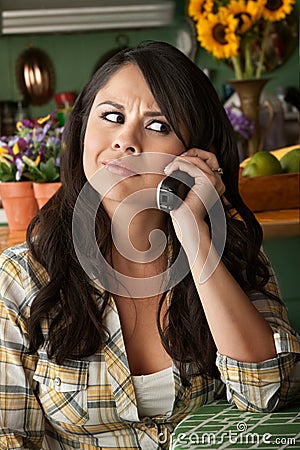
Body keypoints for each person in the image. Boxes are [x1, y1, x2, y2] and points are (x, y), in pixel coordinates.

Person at [0, 41, 299, 450]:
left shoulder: (231, 252)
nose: (126, 141)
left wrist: (195, 234)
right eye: (111, 116)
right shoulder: (19, 279)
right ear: (84, 128)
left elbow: (267, 394)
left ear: (197, 152)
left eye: (159, 125)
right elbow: (10, 438)